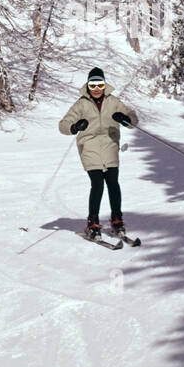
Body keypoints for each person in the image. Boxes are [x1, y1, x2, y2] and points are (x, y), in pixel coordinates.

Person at [58, 66, 138, 241]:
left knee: (112, 182)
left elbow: (133, 119)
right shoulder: (81, 104)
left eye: (99, 85)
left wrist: (125, 119)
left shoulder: (113, 102)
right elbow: (63, 125)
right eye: (92, 85)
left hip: (110, 145)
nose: (96, 89)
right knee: (97, 183)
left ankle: (117, 219)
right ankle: (92, 223)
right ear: (87, 86)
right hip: (89, 147)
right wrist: (74, 126)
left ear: (104, 85)